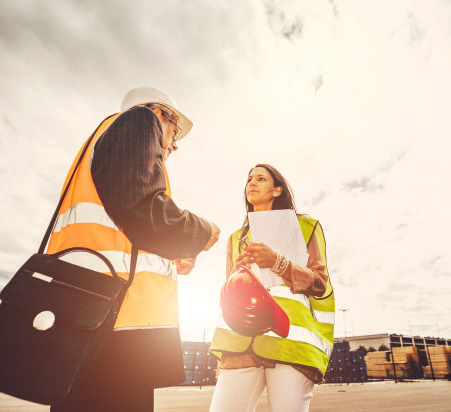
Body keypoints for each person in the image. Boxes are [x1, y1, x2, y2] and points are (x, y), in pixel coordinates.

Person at [47, 86, 220, 411]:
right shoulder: (141, 120)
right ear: (160, 114)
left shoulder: (101, 143)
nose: (175, 143)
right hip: (114, 320)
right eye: (175, 129)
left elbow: (124, 221)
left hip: (86, 311)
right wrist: (201, 231)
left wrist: (170, 255)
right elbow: (141, 206)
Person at [209, 164, 335, 412]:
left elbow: (320, 282)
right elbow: (229, 292)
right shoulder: (235, 238)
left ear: (277, 190)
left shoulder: (306, 226)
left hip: (288, 341)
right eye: (249, 179)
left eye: (260, 178)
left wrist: (279, 263)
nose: (251, 183)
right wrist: (238, 273)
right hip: (240, 340)